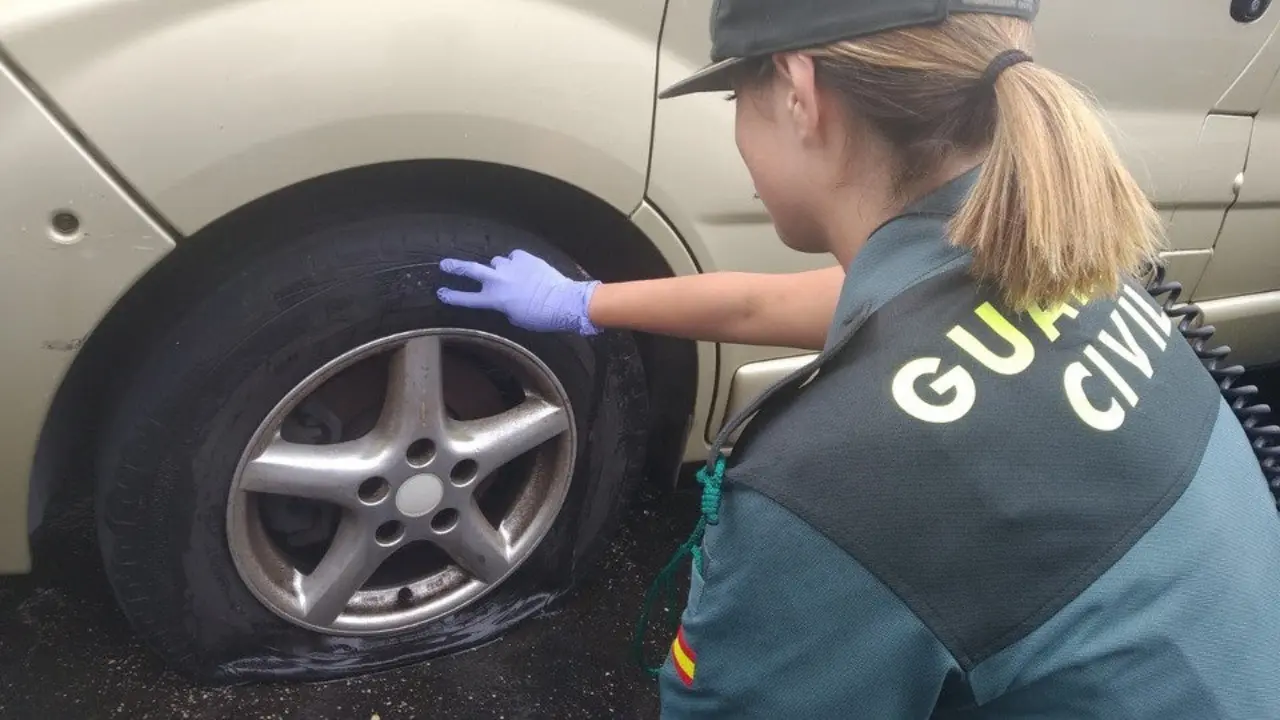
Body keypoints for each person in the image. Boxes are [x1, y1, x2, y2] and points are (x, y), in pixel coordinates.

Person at [438, 0, 1280, 717]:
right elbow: (770, 305)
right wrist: (584, 303)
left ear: (799, 96)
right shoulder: (1062, 263)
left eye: (737, 94)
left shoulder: (828, 489)